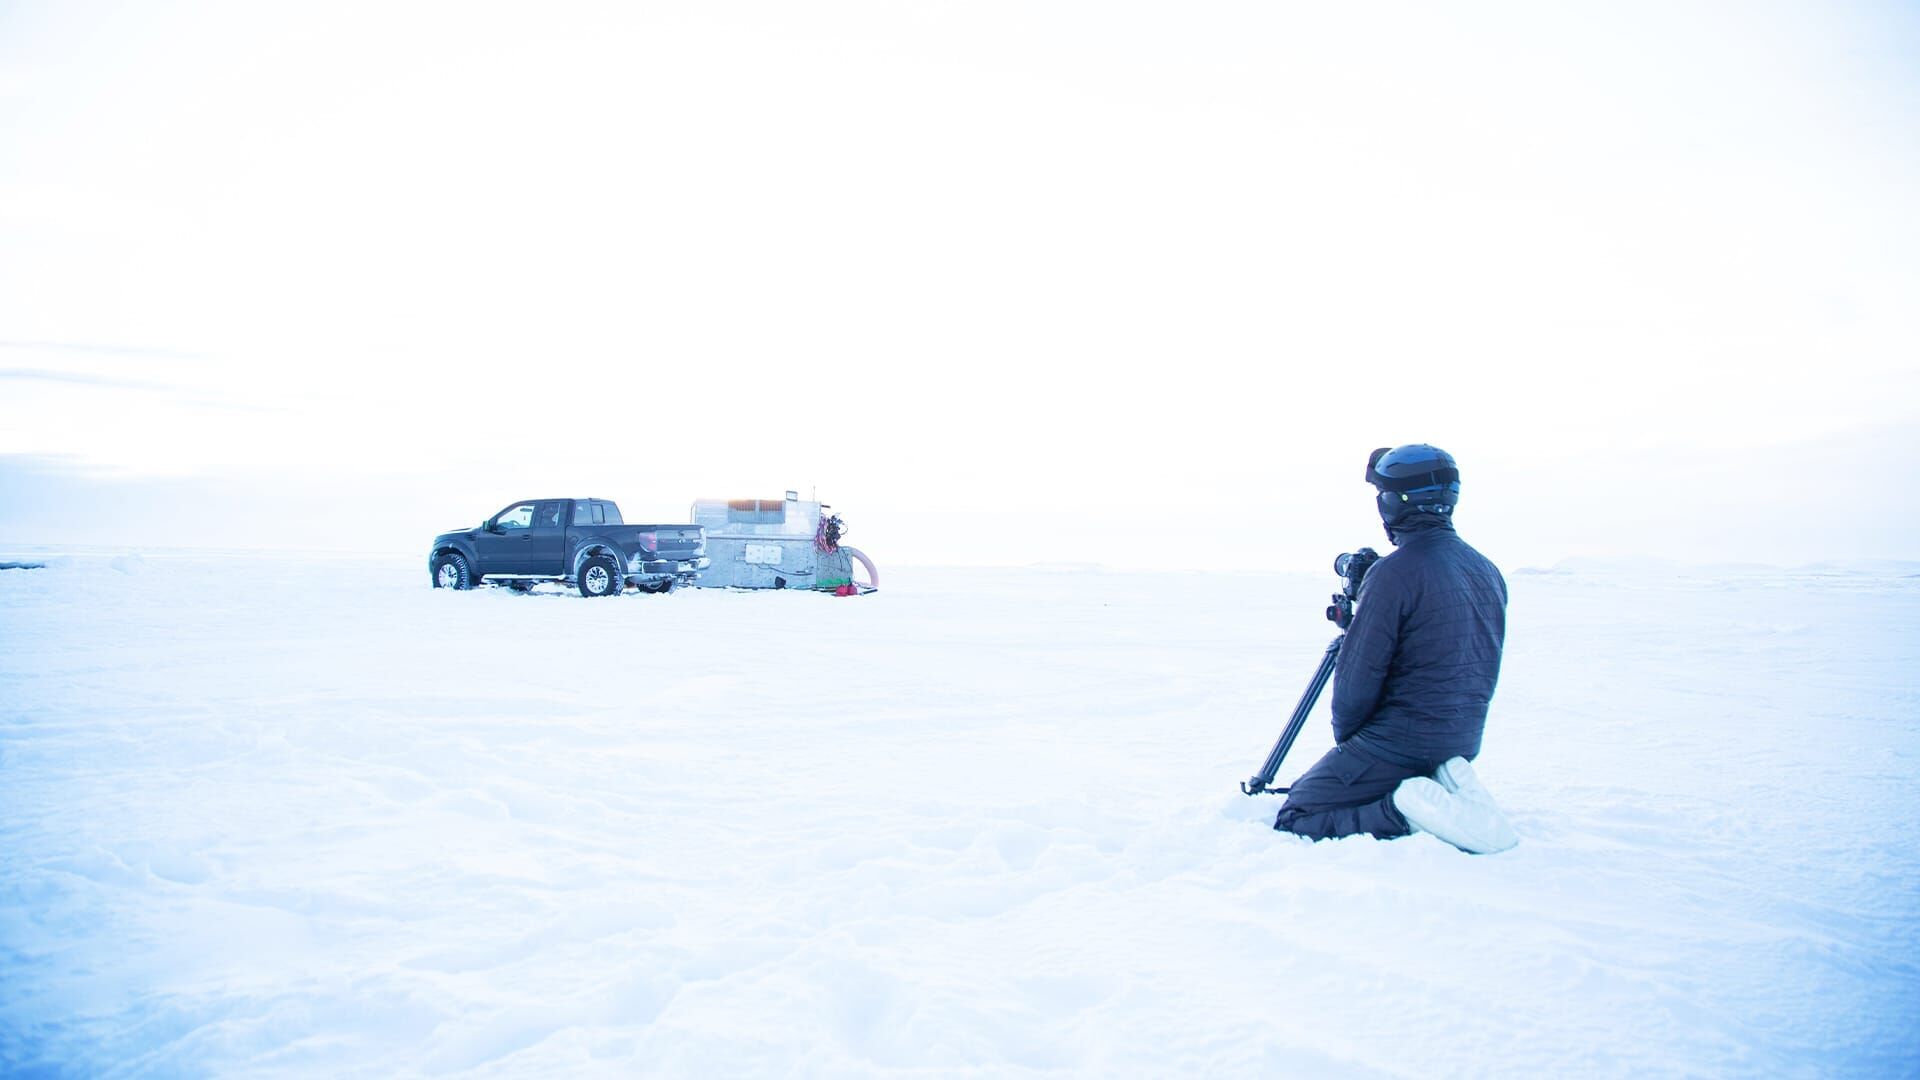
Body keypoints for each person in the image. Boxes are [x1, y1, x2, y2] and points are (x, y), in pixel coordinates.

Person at [1273, 444, 1519, 854]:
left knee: (1297, 814)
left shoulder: (1393, 574)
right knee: (1325, 783)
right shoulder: (1486, 569)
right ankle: (1448, 785)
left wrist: (1354, 750)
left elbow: (1355, 685)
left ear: (1392, 503)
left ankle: (1405, 812)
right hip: (1460, 740)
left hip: (1399, 744)